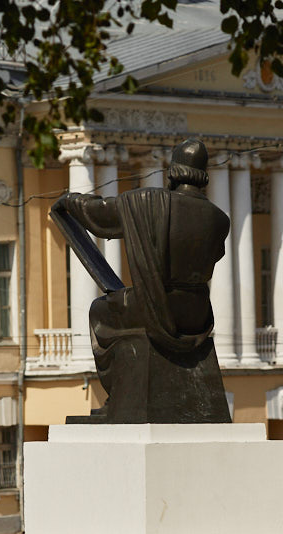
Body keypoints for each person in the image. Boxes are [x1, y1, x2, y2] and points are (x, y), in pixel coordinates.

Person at [59, 138, 232, 423]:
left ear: (174, 171)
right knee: (119, 304)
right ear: (203, 174)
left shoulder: (148, 202)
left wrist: (70, 200)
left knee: (101, 311)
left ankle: (120, 399)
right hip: (197, 314)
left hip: (157, 308)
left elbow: (99, 215)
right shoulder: (219, 220)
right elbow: (215, 256)